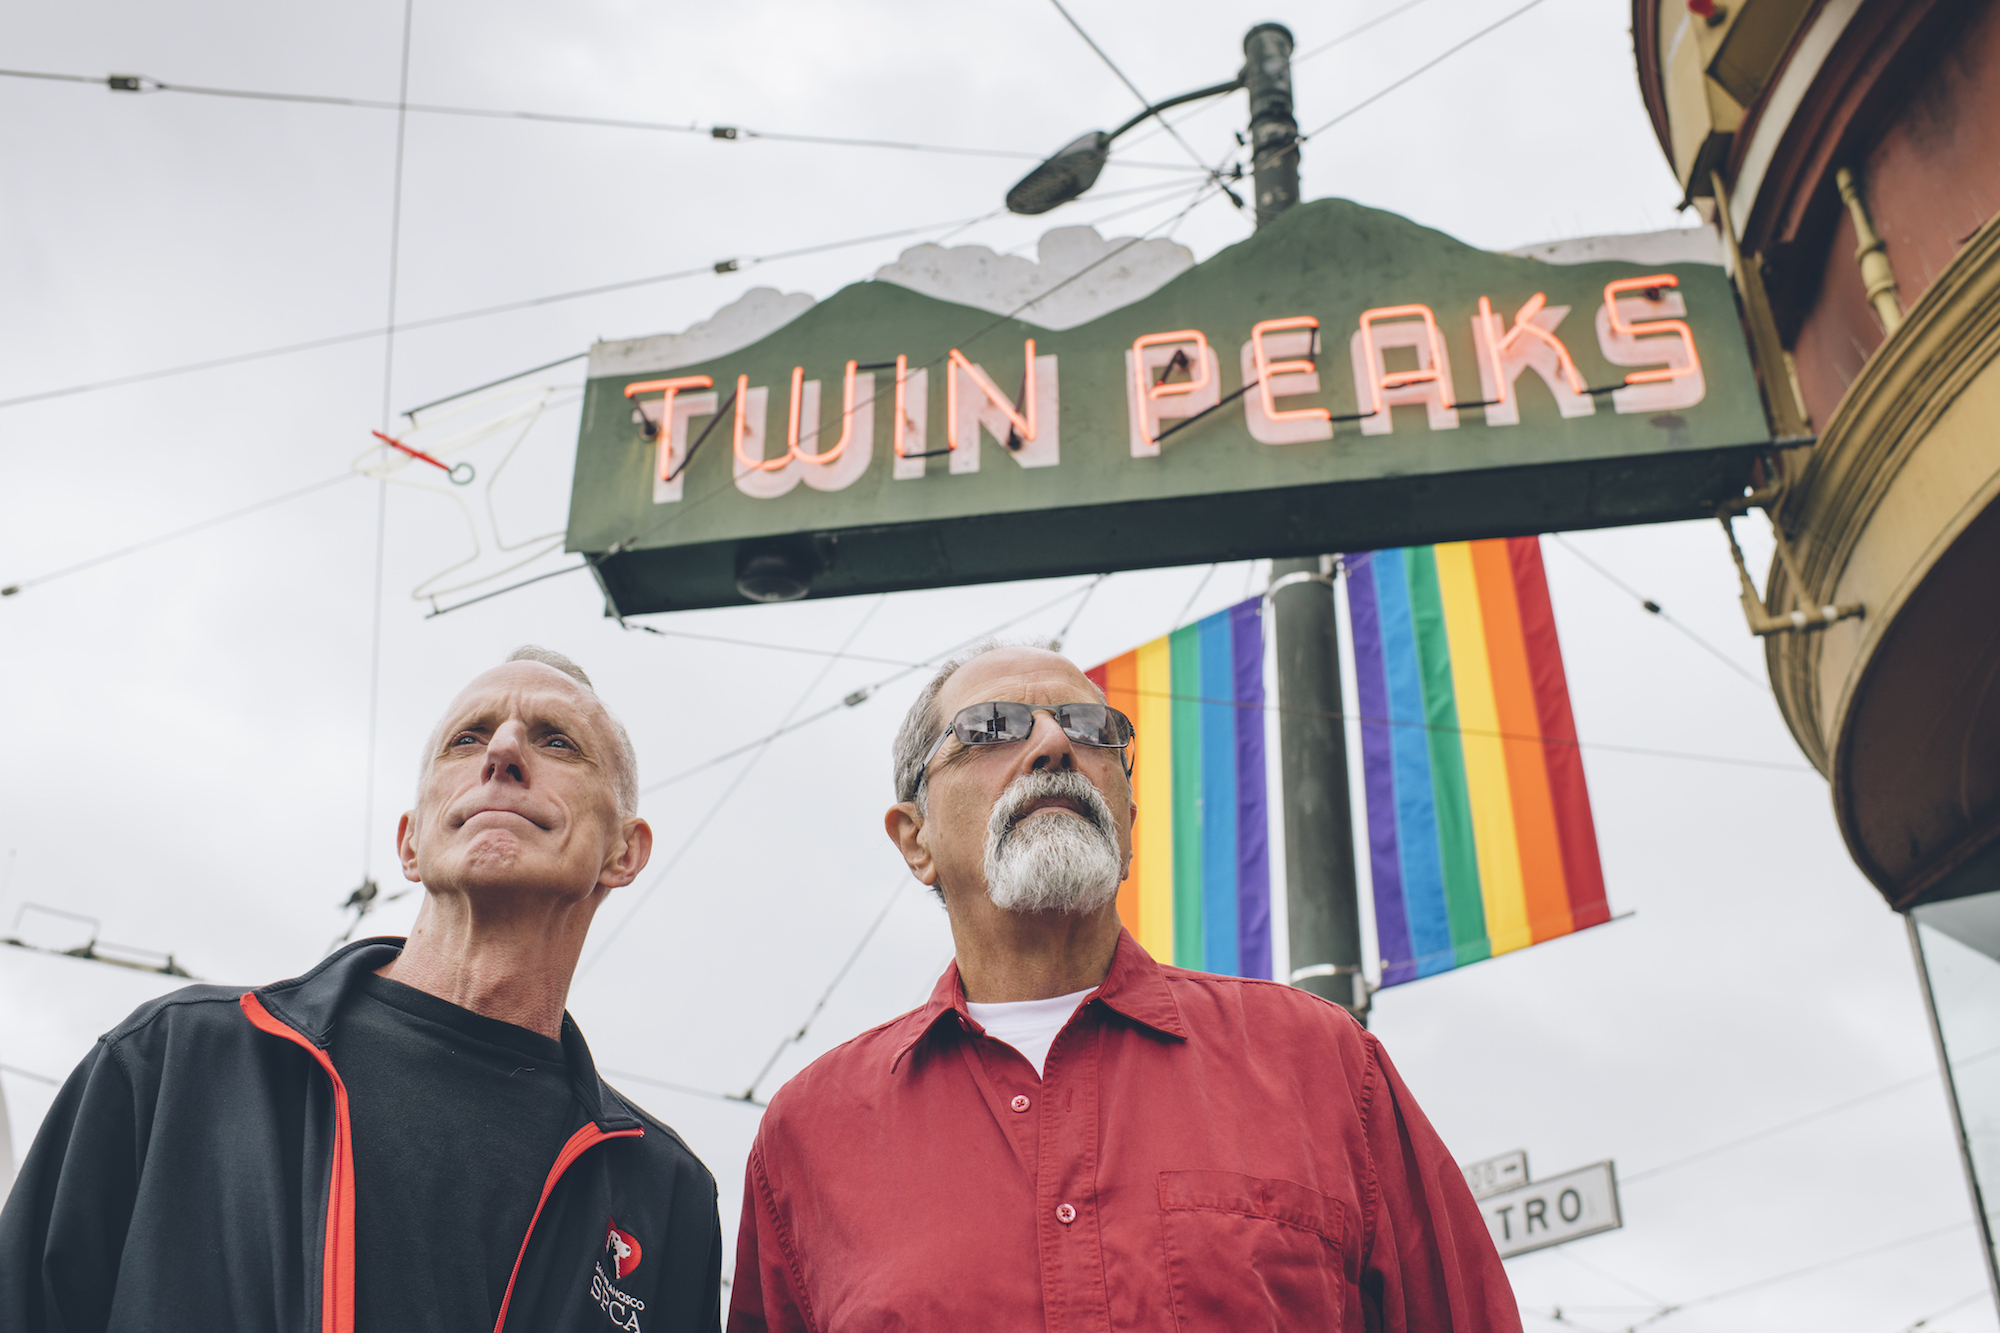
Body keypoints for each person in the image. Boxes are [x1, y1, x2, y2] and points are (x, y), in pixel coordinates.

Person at [728, 642, 1518, 1332]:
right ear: (915, 838)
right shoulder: (808, 1135)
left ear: (1129, 820)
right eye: (992, 727)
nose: (1053, 745)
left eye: (1090, 728)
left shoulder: (1322, 1062)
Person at [0, 646, 722, 1333]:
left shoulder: (663, 1195)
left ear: (625, 851)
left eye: (557, 741)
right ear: (411, 841)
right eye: (467, 739)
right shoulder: (173, 1061)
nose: (502, 753)